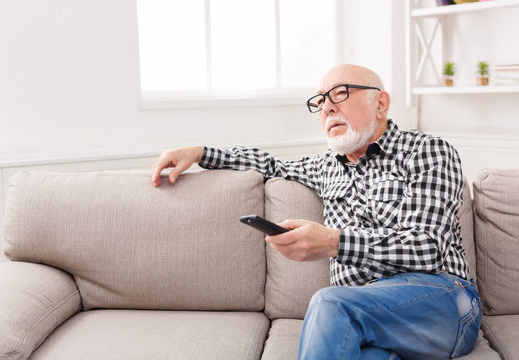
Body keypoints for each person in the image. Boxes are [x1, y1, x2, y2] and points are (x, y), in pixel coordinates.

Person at [151, 64, 482, 359]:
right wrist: (201, 152)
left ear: (380, 103)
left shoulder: (427, 151)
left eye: (340, 94)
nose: (327, 108)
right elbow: (270, 164)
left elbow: (428, 247)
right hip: (365, 315)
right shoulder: (326, 168)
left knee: (330, 302)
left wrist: (333, 242)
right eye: (320, 101)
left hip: (442, 301)